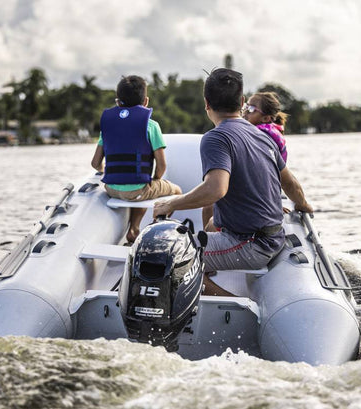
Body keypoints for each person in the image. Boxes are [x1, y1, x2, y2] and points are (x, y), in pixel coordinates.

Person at [153, 68, 313, 296]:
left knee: (165, 259)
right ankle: (207, 274)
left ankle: (237, 305)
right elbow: (291, 184)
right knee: (208, 228)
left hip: (250, 243)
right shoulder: (262, 136)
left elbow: (215, 189)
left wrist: (171, 204)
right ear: (242, 101)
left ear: (206, 103)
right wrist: (303, 205)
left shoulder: (216, 137)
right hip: (272, 235)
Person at [91, 75, 181, 243]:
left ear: (118, 102)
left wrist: (108, 172)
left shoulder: (108, 126)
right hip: (138, 190)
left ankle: (133, 229)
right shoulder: (151, 125)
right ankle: (153, 233)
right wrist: (155, 180)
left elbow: (95, 163)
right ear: (146, 101)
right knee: (176, 191)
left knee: (140, 188)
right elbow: (161, 166)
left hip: (111, 188)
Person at [243, 91, 288, 162]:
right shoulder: (269, 131)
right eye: (246, 107)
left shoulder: (262, 136)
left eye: (251, 109)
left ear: (266, 118)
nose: (245, 112)